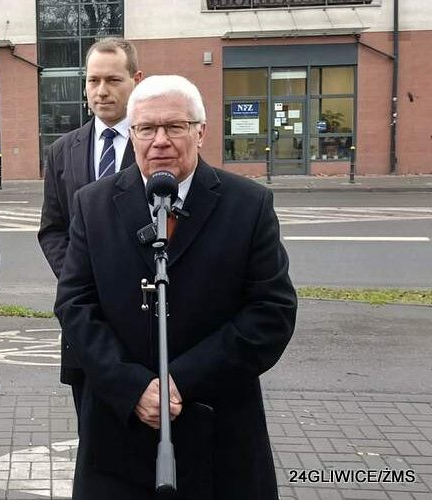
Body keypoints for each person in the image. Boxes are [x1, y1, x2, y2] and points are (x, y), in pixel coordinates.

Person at [54, 75, 297, 499]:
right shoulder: (92, 204)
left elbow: (271, 312)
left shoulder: (248, 205)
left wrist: (181, 381)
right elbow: (75, 305)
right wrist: (131, 386)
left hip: (220, 430)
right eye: (147, 128)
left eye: (175, 127)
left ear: (200, 132)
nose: (160, 141)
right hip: (118, 429)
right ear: (132, 135)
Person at [38, 37, 143, 421]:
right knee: (92, 431)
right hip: (85, 314)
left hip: (141, 312)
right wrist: (79, 276)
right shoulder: (62, 151)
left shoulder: (155, 143)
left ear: (136, 80)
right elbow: (52, 229)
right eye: (93, 80)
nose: (101, 91)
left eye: (113, 80)